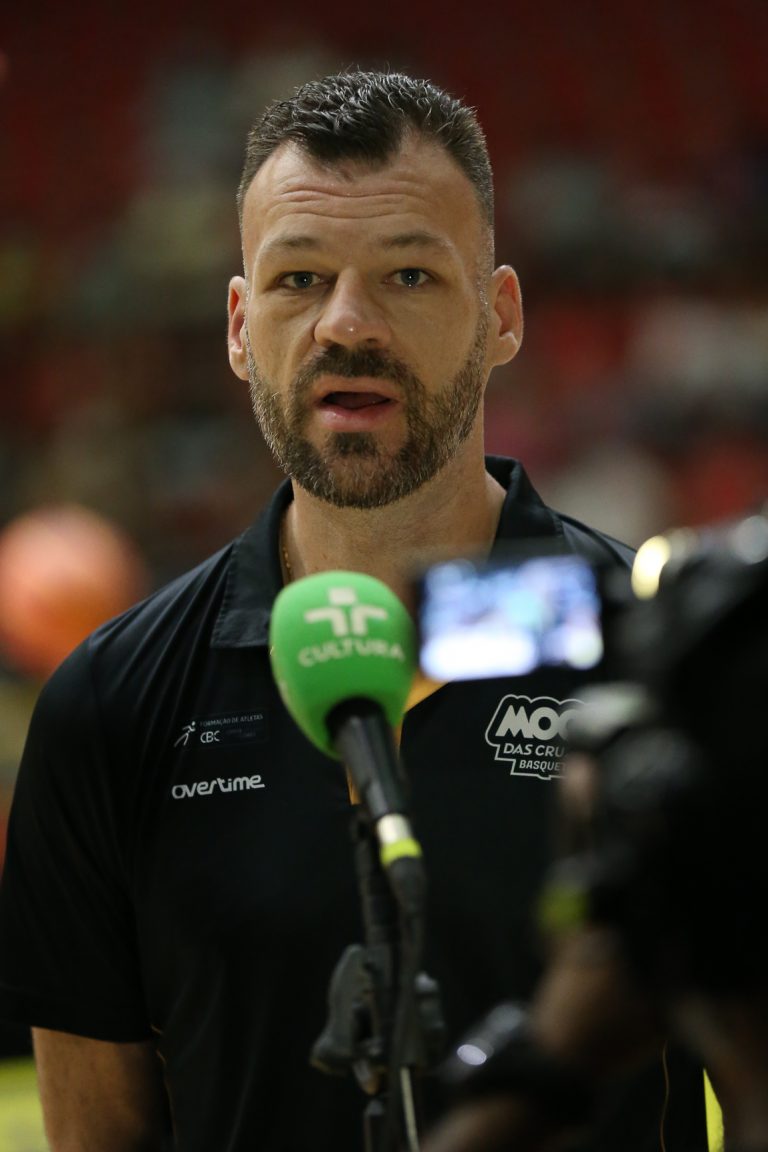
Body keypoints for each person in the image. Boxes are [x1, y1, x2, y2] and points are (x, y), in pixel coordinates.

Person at [0, 71, 709, 1151]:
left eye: (409, 274)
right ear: (240, 327)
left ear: (501, 316)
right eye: (298, 279)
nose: (346, 323)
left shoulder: (667, 660)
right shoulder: (110, 707)